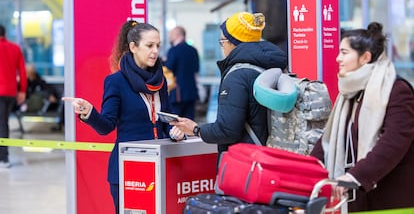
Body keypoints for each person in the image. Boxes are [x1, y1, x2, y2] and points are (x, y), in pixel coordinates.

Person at [63, 20, 183, 214]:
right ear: (133, 47)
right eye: (149, 45)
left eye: (158, 46)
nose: (155, 51)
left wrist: (174, 131)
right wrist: (89, 112)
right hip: (128, 170)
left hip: (160, 166)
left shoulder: (160, 82)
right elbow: (106, 126)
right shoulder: (116, 81)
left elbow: (164, 119)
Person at [310, 22, 414, 212]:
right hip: (356, 198)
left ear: (365, 57)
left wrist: (355, 177)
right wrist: (307, 169)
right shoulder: (349, 93)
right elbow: (330, 139)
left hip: (389, 199)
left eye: (344, 52)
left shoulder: (396, 90)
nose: (337, 58)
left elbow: (394, 142)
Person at [169, 12, 287, 162]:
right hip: (268, 155)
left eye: (223, 41)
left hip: (244, 163)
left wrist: (195, 129)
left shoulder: (237, 76)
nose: (222, 46)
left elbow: (227, 130)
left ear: (234, 42)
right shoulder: (269, 67)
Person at [0, 24, 27, 168]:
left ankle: (3, 158)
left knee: (2, 124)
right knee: (3, 123)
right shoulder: (15, 48)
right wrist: (22, 90)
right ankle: (4, 158)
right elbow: (22, 71)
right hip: (10, 92)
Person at [164, 26, 200, 119]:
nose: (170, 37)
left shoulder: (173, 51)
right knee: (189, 123)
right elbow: (196, 70)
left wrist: (163, 61)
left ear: (177, 35)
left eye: (171, 34)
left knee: (175, 123)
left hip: (177, 93)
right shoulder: (193, 50)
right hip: (191, 92)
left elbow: (168, 69)